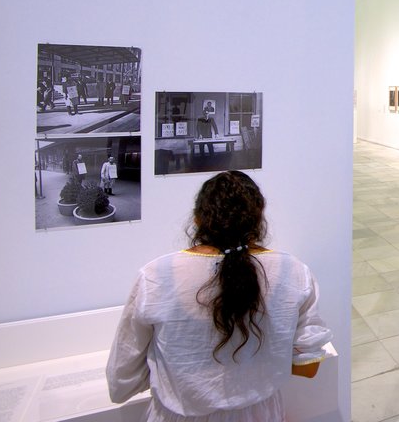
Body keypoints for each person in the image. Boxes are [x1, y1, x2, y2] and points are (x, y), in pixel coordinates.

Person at [106, 171, 331, 421]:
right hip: (261, 415)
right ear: (259, 218)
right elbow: (308, 366)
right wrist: (256, 367)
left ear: (197, 220)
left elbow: (121, 379)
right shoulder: (294, 271)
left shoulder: (156, 276)